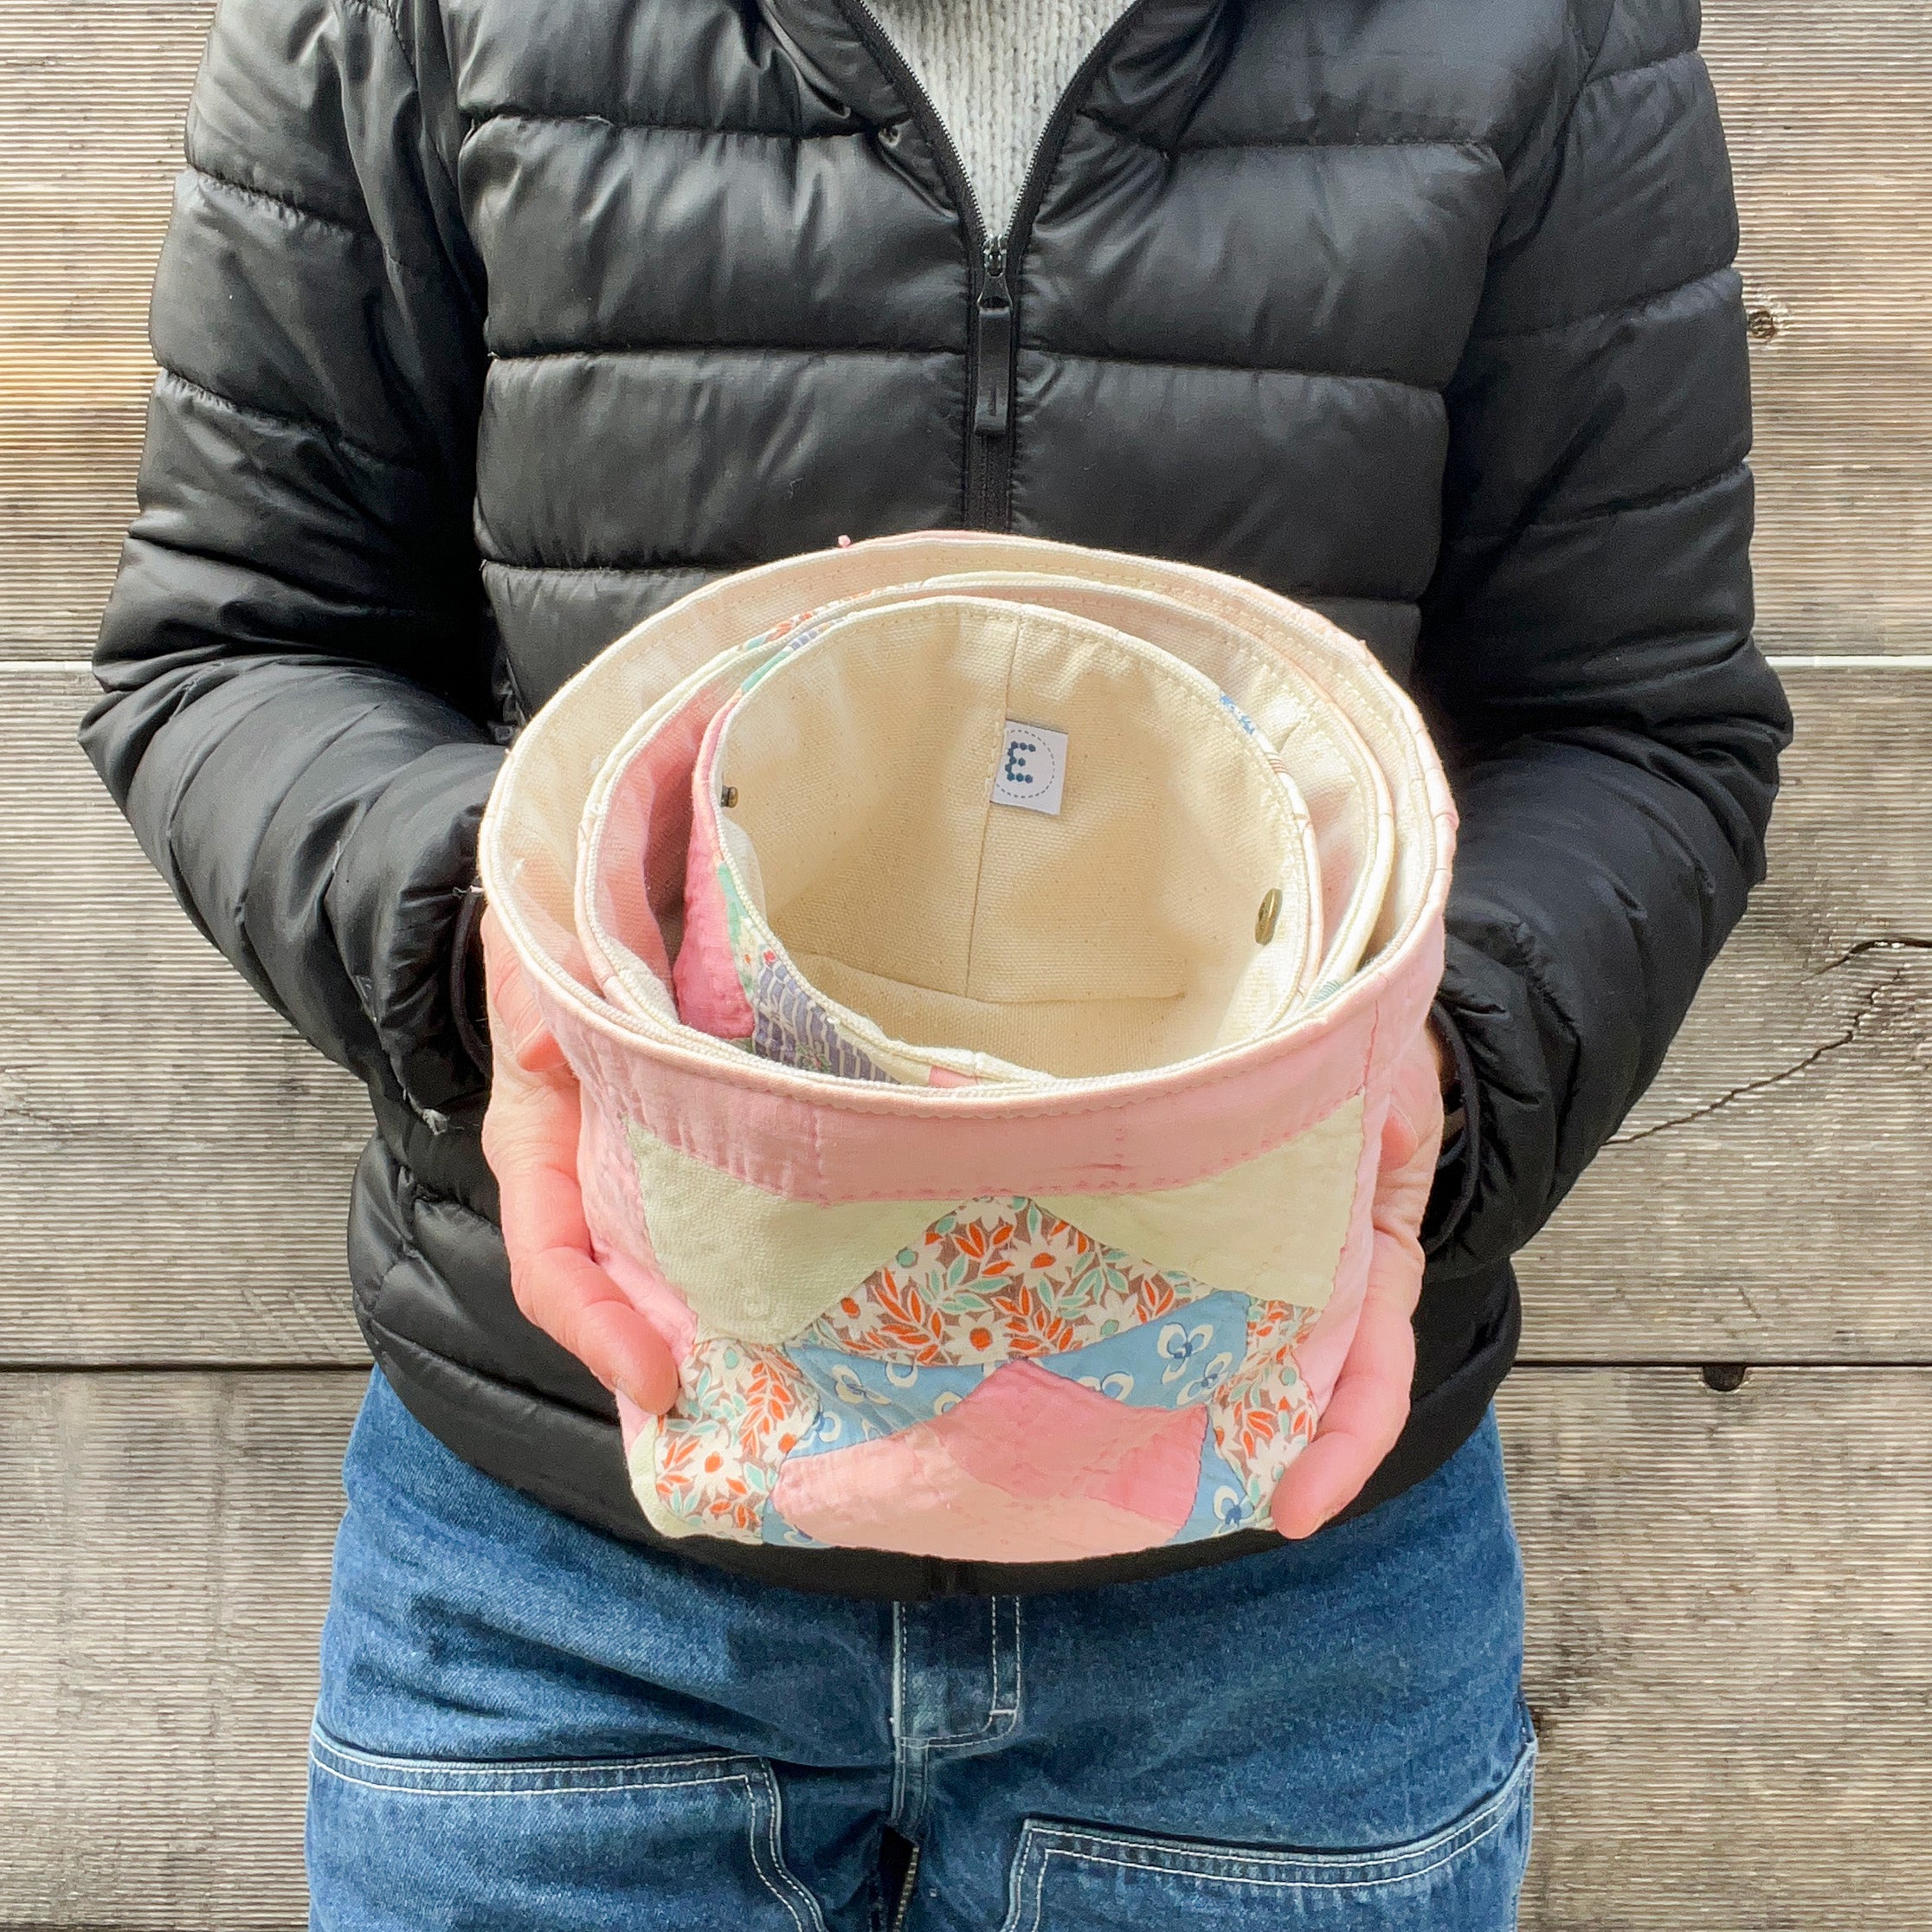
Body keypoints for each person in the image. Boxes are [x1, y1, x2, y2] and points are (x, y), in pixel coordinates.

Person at [83, 0, 1791, 1921]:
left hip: (1275, 1595)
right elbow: (232, 644)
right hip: (574, 1566)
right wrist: (498, 958)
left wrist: (1435, 1084)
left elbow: (1636, 725)